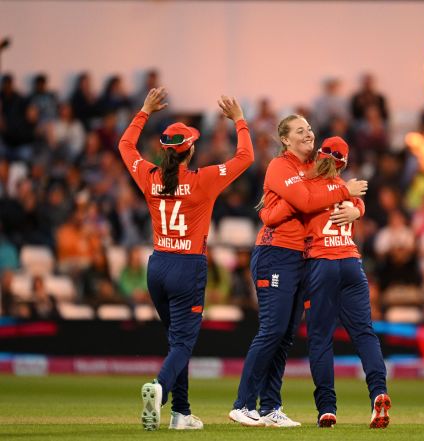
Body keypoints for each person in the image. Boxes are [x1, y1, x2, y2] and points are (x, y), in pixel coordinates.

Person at [118, 88, 253, 431]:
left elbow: (125, 146)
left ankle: (181, 413)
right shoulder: (203, 180)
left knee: (176, 342)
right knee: (183, 342)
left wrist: (144, 110)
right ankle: (159, 391)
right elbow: (246, 158)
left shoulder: (149, 177)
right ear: (190, 150)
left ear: (164, 151)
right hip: (187, 267)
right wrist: (239, 120)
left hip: (158, 265)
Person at [228, 116, 367, 428]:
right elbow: (306, 201)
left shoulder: (314, 168)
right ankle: (243, 404)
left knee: (286, 335)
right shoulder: (281, 166)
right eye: (300, 130)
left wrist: (355, 206)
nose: (308, 133)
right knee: (272, 330)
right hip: (275, 253)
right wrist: (339, 191)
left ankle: (270, 407)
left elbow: (306, 202)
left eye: (309, 129)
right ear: (286, 140)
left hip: (301, 258)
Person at [260, 137, 390, 429]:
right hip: (352, 264)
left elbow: (282, 211)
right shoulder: (350, 193)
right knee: (365, 334)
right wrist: (358, 209)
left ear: (319, 156)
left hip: (321, 264)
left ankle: (327, 409)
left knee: (320, 339)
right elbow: (357, 205)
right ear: (344, 163)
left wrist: (266, 212)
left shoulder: (307, 187)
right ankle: (379, 392)